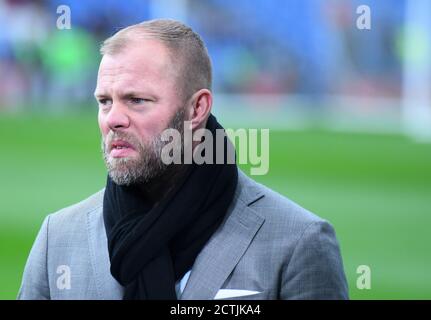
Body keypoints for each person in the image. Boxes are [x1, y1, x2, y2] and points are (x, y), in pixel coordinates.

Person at [18, 19, 348, 300]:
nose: (113, 119)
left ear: (196, 109)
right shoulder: (57, 239)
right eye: (105, 101)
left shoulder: (299, 243)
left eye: (136, 100)